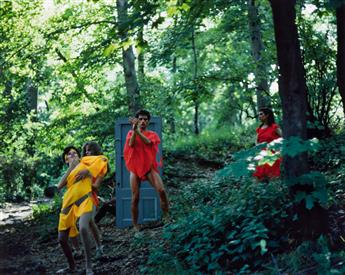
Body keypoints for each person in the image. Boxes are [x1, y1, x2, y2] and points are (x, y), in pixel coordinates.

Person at [57, 145, 108, 274]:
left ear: (80, 156)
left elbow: (103, 159)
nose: (73, 154)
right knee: (62, 239)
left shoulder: (86, 162)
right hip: (68, 203)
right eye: (69, 154)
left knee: (84, 227)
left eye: (75, 153)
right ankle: (72, 266)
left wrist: (89, 170)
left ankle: (89, 266)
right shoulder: (69, 171)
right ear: (66, 159)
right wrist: (71, 168)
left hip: (85, 200)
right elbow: (59, 186)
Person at [123, 109, 169, 231]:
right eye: (140, 119)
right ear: (137, 120)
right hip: (135, 168)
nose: (143, 121)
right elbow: (131, 145)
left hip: (149, 167)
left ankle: (167, 218)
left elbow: (148, 142)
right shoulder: (130, 133)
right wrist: (134, 131)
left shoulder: (153, 134)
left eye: (145, 119)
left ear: (148, 121)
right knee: (135, 197)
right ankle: (135, 226)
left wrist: (137, 131)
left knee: (162, 190)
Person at [253, 108, 282, 181]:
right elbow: (256, 141)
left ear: (267, 115)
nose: (259, 116)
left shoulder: (274, 126)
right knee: (259, 176)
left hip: (273, 153)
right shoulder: (259, 129)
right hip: (262, 153)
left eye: (261, 114)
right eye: (259, 114)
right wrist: (258, 149)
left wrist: (279, 150)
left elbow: (283, 137)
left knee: (272, 176)